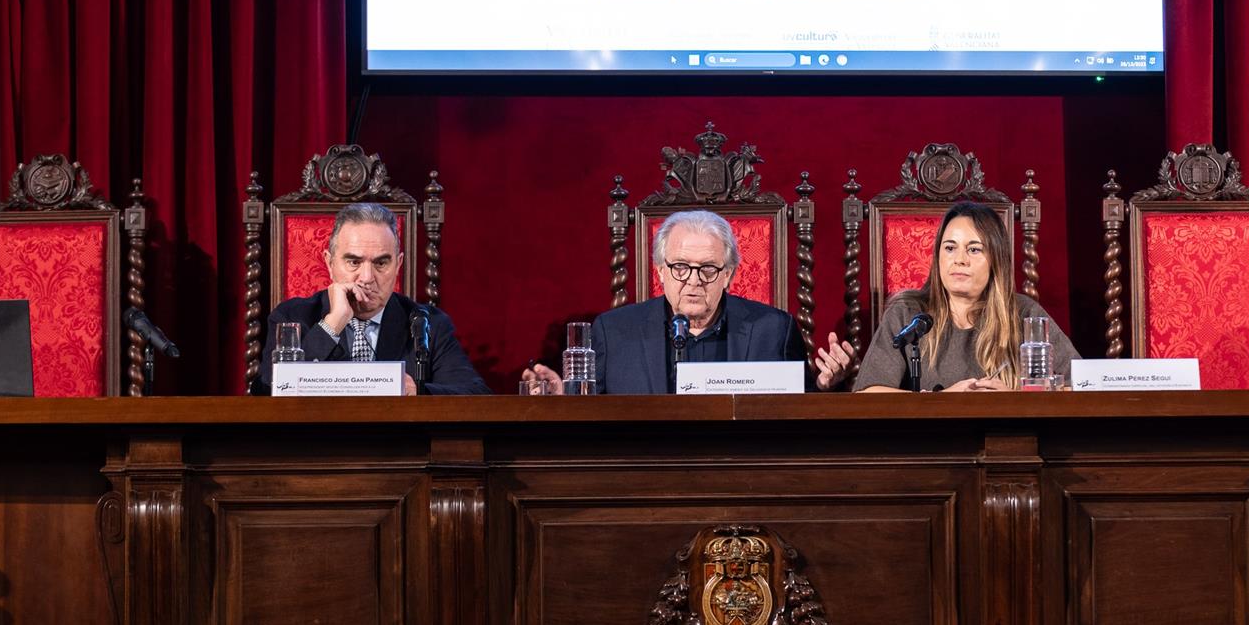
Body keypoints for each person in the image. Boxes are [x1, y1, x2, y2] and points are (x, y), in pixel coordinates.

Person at [523, 209, 856, 394]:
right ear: (660, 271)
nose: (694, 281)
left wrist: (826, 386)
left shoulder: (773, 329)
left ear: (729, 274)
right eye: (681, 267)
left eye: (708, 269)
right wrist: (562, 398)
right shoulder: (614, 331)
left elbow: (799, 411)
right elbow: (589, 411)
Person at [259, 202, 489, 395]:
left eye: (381, 263)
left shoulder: (428, 323)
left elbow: (475, 394)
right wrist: (333, 323)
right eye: (354, 262)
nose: (367, 278)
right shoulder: (292, 319)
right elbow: (266, 392)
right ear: (329, 264)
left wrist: (418, 391)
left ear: (398, 264)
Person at [854, 200, 1078, 392]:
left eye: (974, 249)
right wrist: (939, 402)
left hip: (1006, 436)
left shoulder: (1024, 313)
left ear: (995, 260)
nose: (959, 259)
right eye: (950, 248)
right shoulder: (909, 313)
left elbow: (1082, 386)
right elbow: (869, 392)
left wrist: (1014, 398)